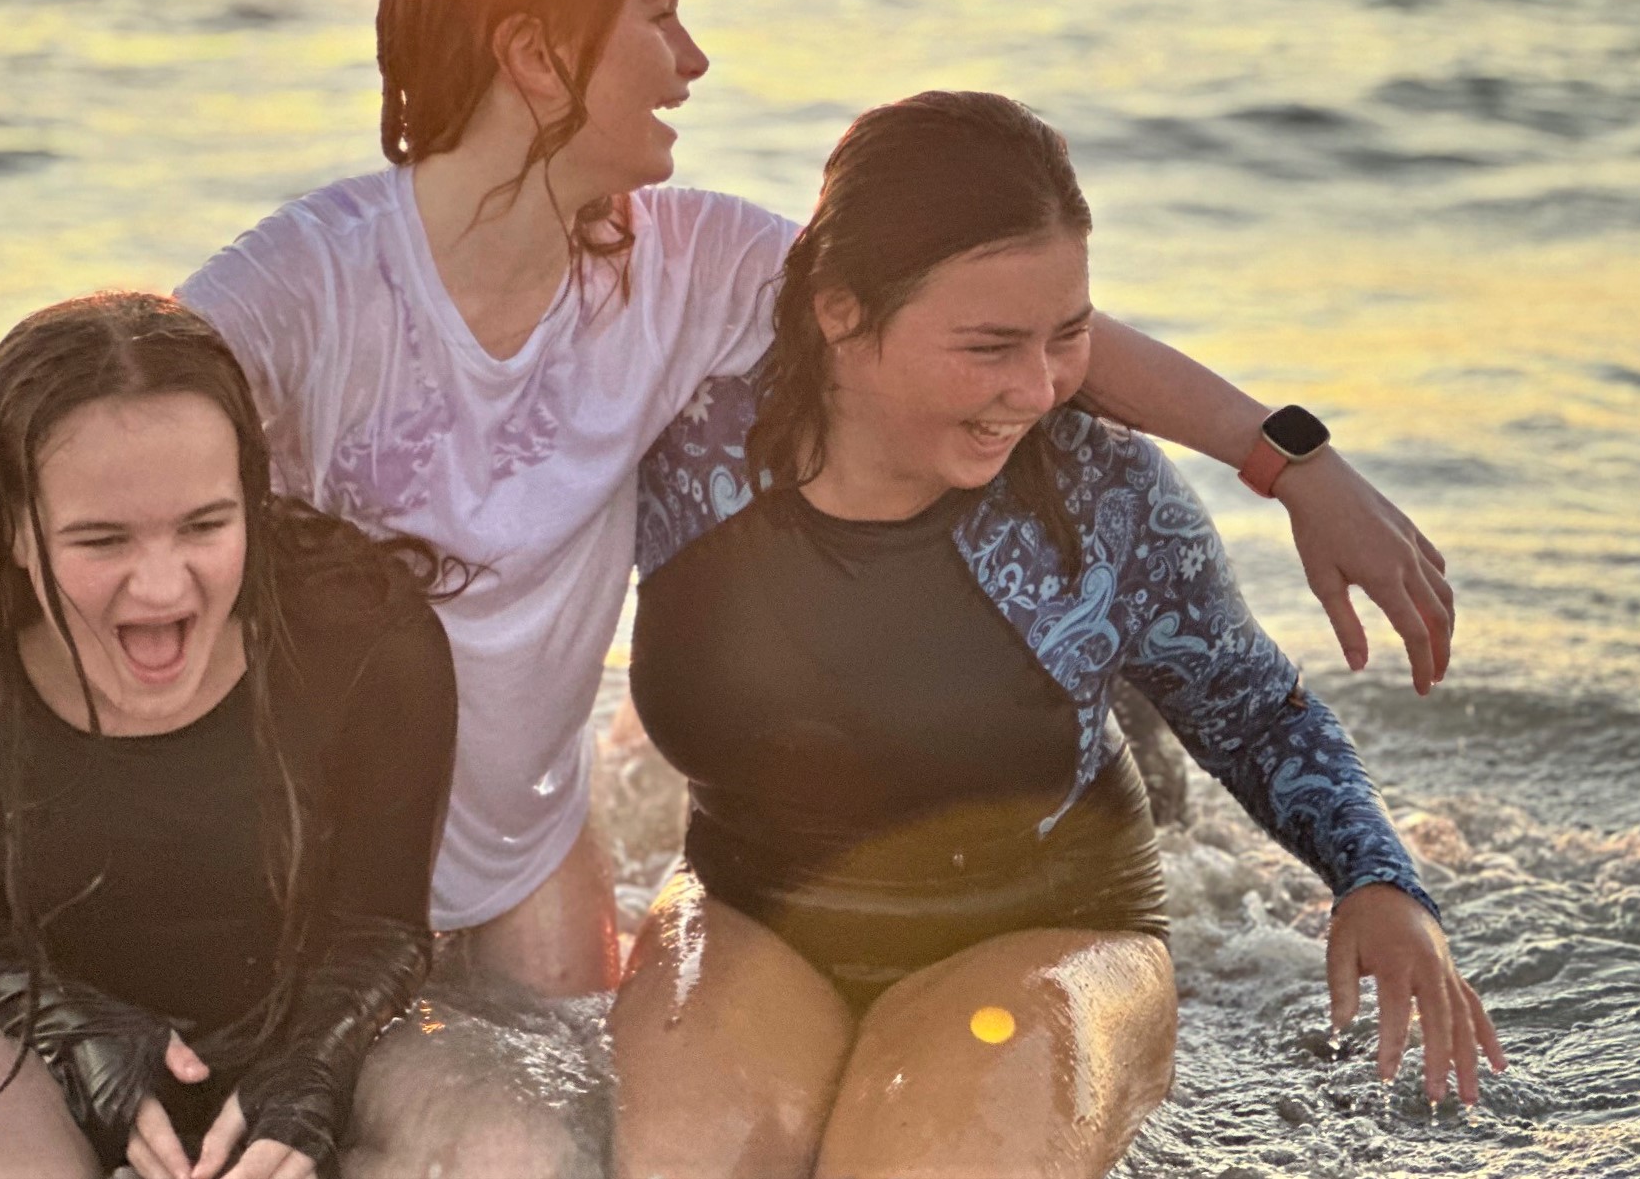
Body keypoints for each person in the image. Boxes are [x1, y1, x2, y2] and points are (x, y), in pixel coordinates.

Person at [0, 0, 1454, 1136]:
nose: (695, 58)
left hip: (510, 874)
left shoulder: (686, 266)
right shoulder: (305, 292)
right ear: (536, 54)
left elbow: (977, 314)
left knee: (565, 1148)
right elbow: (12, 542)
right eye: (657, 14)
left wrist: (1283, 457)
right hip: (282, 874)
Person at [611, 93, 1503, 1179]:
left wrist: (1377, 882)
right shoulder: (683, 457)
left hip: (1046, 935)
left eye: (1068, 337)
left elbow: (1258, 714)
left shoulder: (1099, 490)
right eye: (989, 346)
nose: (1035, 391)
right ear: (840, 312)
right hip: (748, 913)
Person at [0, 293, 458, 1179]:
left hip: (324, 1017)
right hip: (32, 1020)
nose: (161, 587)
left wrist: (310, 1067)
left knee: (507, 1153)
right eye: (100, 539)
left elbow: (383, 919)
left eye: (206, 525)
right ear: (6, 529)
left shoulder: (363, 630)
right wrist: (76, 1030)